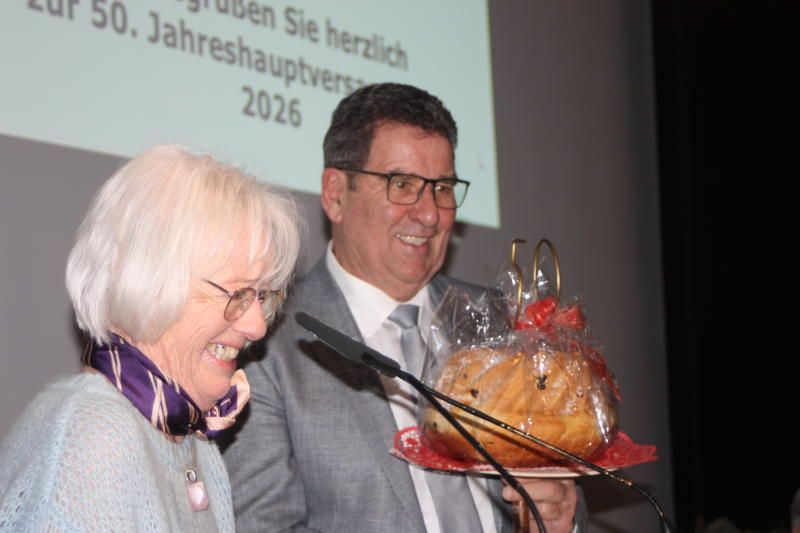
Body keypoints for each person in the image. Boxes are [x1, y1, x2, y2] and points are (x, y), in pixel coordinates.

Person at [223, 83, 586, 533]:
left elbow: (554, 488)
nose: (430, 214)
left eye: (443, 187)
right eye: (403, 185)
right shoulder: (268, 345)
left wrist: (560, 517)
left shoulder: (500, 323)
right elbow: (264, 526)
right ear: (335, 194)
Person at [0, 145, 300, 531]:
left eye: (262, 296)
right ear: (151, 283)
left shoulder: (190, 439)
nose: (258, 327)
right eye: (238, 295)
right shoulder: (96, 438)